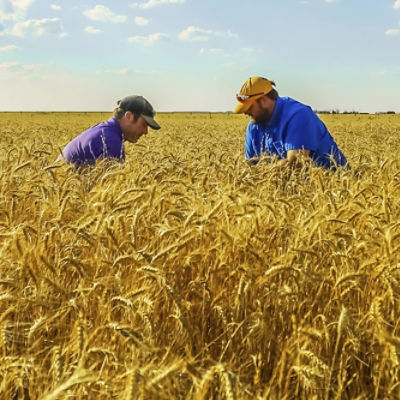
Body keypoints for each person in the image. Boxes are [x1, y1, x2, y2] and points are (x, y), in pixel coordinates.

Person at [233, 77, 347, 169]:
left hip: (333, 187)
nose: (245, 112)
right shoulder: (254, 126)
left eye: (249, 107)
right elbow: (249, 168)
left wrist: (263, 171)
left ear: (263, 101)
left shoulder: (298, 115)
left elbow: (295, 165)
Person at [57, 95, 161, 167]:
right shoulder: (110, 141)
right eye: (144, 125)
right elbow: (111, 186)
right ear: (129, 116)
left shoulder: (104, 131)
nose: (145, 132)